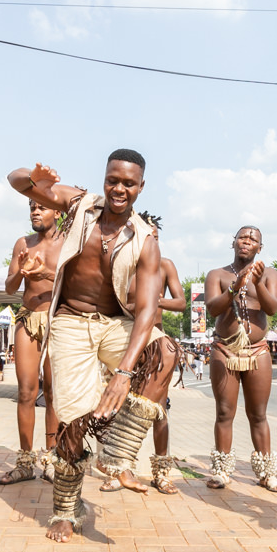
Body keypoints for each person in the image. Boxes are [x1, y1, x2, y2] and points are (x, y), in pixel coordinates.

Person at [7, 149, 181, 543]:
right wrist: (31, 175)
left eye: (128, 183)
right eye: (113, 180)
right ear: (104, 178)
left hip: (116, 324)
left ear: (141, 187)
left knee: (165, 351)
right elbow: (17, 182)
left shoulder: (146, 240)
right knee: (71, 420)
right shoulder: (80, 204)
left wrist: (122, 375)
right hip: (70, 322)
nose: (119, 189)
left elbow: (147, 311)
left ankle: (117, 455)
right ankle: (66, 510)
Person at [98, 211, 186, 494]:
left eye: (155, 238)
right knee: (116, 407)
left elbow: (181, 302)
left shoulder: (166, 265)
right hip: (124, 341)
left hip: (154, 346)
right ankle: (117, 467)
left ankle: (161, 471)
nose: (152, 242)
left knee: (158, 410)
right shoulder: (123, 264)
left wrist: (153, 299)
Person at [204, 226, 277, 493]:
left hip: (258, 350)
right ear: (234, 243)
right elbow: (212, 308)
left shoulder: (270, 274)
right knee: (224, 412)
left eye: (253, 239)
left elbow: (272, 308)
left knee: (258, 414)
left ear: (260, 247)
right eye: (242, 237)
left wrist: (257, 283)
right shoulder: (217, 274)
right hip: (224, 349)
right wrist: (234, 288)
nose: (246, 241)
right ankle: (222, 470)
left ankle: (266, 473)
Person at [0, 199, 63, 485]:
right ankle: (24, 462)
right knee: (26, 391)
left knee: (53, 394)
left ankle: (51, 458)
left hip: (57, 319)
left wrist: (46, 273)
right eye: (32, 207)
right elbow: (11, 287)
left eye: (42, 207)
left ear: (57, 212)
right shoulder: (23, 242)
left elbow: (76, 282)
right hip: (27, 317)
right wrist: (21, 271)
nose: (35, 212)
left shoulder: (70, 243)